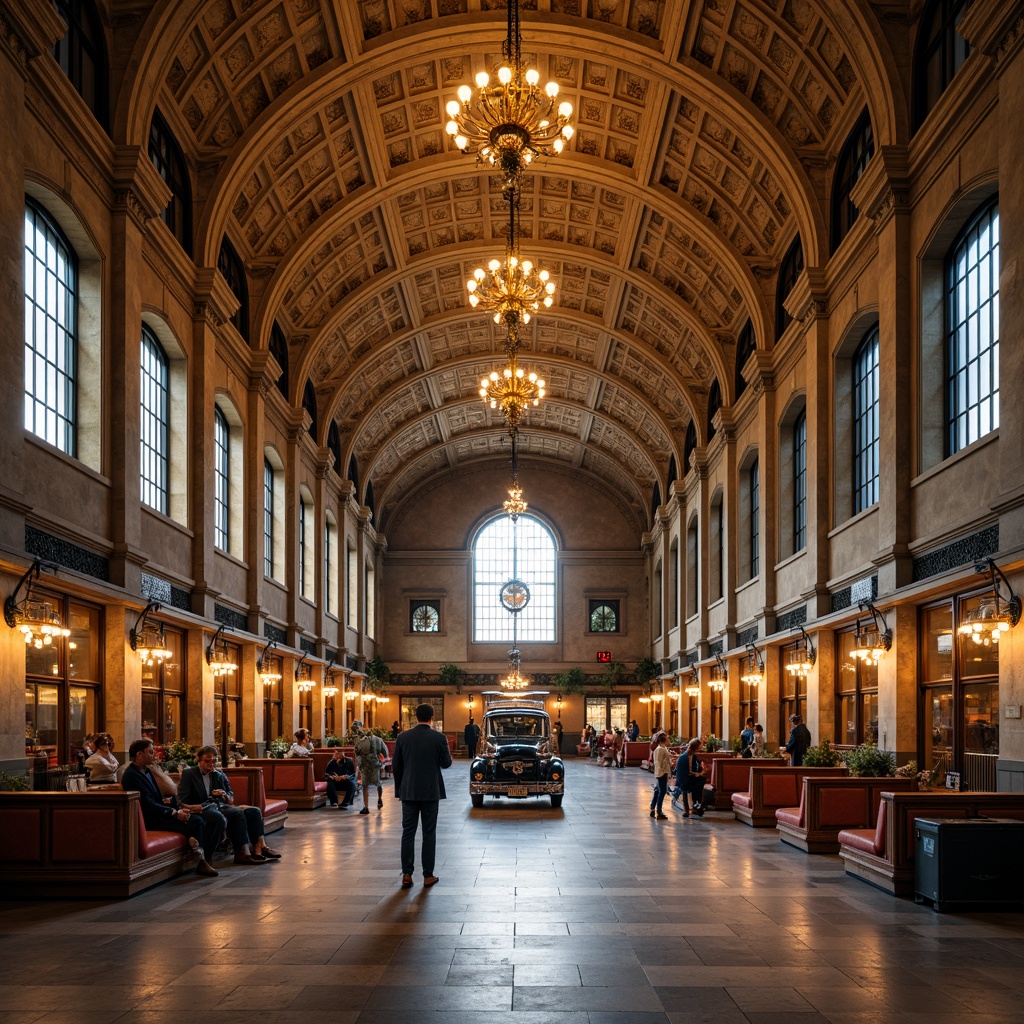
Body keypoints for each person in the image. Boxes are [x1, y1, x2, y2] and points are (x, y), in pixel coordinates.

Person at [121, 738, 218, 877]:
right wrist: (173, 812)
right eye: (150, 752)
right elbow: (147, 804)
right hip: (150, 820)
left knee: (197, 818)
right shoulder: (132, 775)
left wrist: (170, 803)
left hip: (158, 814)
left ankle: (197, 852)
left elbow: (155, 798)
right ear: (139, 755)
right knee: (196, 822)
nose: (154, 754)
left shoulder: (147, 771)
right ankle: (200, 860)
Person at [178, 745, 281, 864]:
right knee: (237, 813)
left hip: (220, 806)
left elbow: (231, 798)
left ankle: (260, 848)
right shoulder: (189, 774)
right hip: (202, 808)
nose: (211, 764)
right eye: (207, 761)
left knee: (254, 811)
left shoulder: (218, 774)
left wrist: (224, 795)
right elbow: (183, 800)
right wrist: (195, 807)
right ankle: (242, 853)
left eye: (214, 761)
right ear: (199, 760)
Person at [393, 702, 452, 888]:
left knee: (408, 833)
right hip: (430, 791)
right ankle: (428, 875)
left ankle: (407, 874)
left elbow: (396, 766)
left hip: (409, 791)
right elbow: (447, 763)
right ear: (431, 717)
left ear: (415, 716)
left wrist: (400, 789)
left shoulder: (403, 737)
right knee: (429, 832)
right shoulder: (439, 737)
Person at [353, 721, 388, 814]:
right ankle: (379, 798)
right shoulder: (378, 740)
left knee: (365, 785)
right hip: (375, 765)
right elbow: (385, 752)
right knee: (378, 783)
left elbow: (356, 753)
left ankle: (366, 807)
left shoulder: (358, 741)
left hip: (364, 765)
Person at [648, 733, 671, 819]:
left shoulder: (662, 748)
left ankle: (653, 807)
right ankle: (659, 811)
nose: (669, 740)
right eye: (667, 739)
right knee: (662, 791)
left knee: (658, 790)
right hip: (662, 773)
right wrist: (661, 773)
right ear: (663, 740)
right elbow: (658, 762)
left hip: (662, 772)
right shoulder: (660, 749)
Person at [686, 739, 708, 816]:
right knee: (699, 783)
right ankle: (697, 803)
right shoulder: (690, 755)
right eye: (700, 746)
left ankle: (698, 803)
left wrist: (700, 772)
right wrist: (698, 773)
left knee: (701, 781)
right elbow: (690, 769)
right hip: (690, 777)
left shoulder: (693, 755)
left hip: (694, 776)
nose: (701, 747)